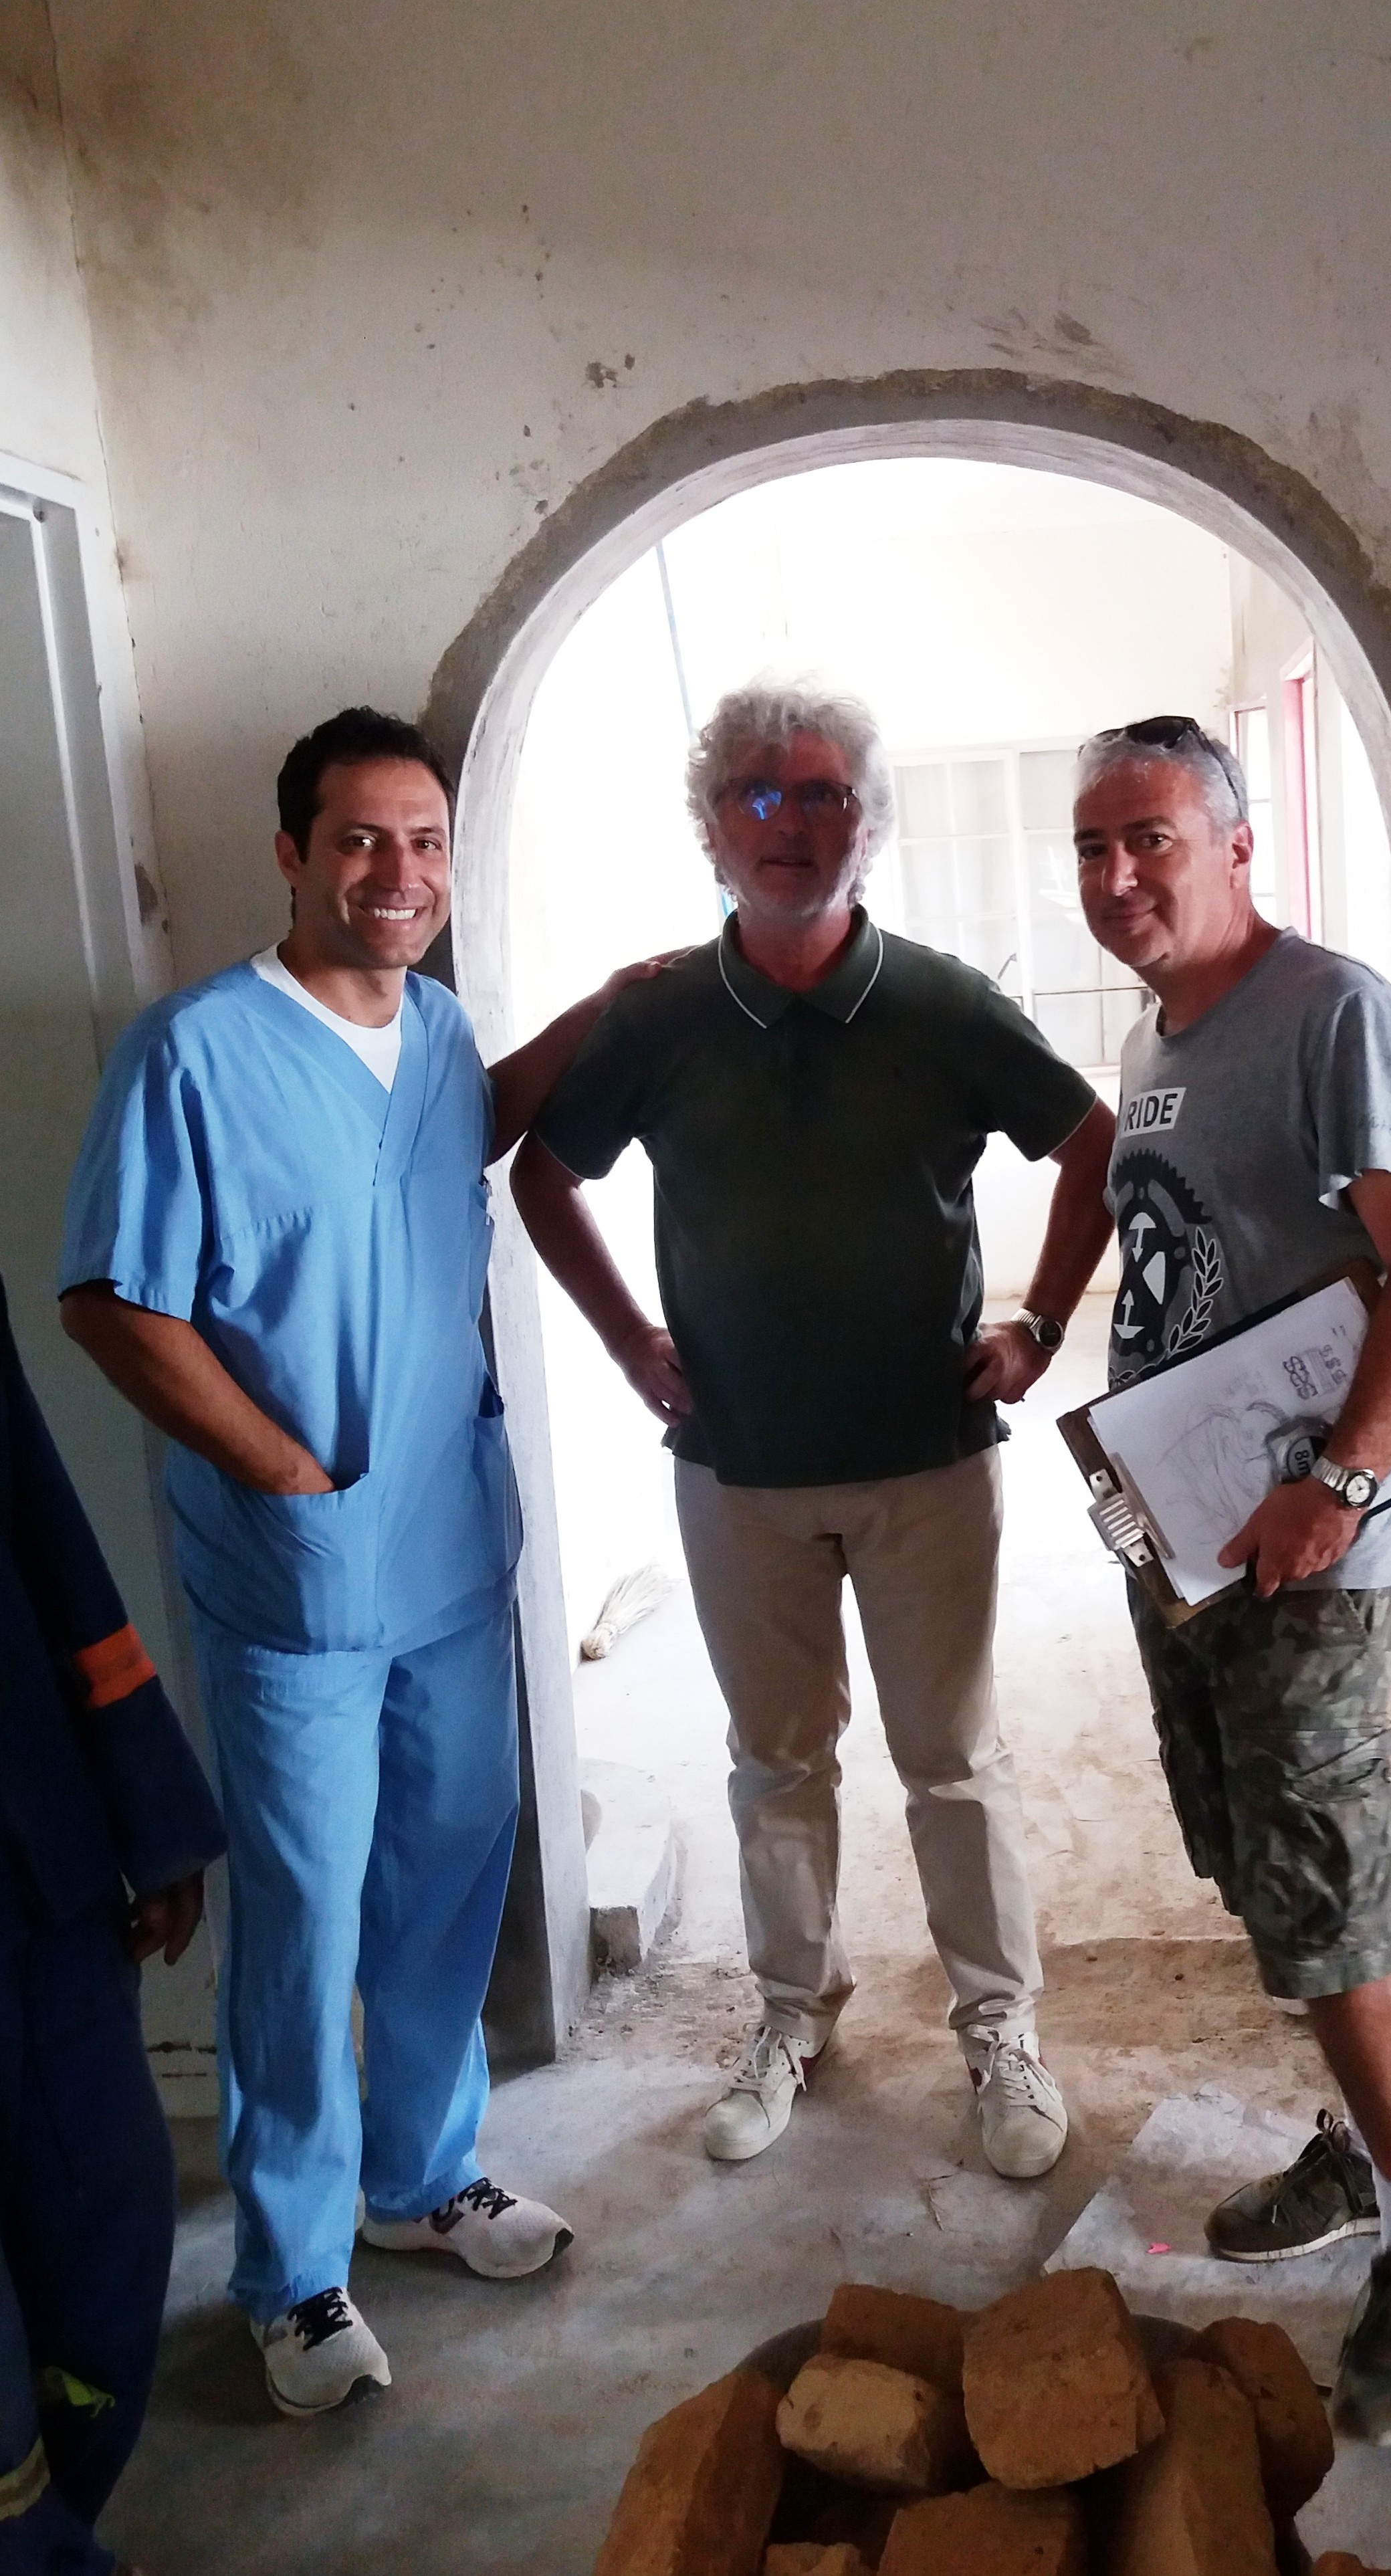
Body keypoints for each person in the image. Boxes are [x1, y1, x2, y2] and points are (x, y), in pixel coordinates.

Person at [58, 708, 651, 2420]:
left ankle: (421, 2179)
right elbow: (111, 1300)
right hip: (298, 1574)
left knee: (452, 1869)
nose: (400, 872)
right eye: (362, 839)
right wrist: (284, 1471)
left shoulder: (441, 1030)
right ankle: (295, 2270)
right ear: (294, 854)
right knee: (307, 1918)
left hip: (449, 1549)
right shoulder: (193, 1053)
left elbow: (456, 1131)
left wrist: (607, 1010)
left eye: (426, 841)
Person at [512, 681, 1116, 2180]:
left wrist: (1040, 1324)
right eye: (760, 794)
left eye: (826, 793)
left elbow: (1094, 1144)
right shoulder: (659, 1015)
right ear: (713, 828)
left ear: (870, 823)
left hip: (928, 1457)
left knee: (952, 1756)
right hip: (738, 1467)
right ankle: (793, 2014)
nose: (791, 822)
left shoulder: (943, 1005)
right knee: (777, 1761)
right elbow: (542, 1173)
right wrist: (629, 1340)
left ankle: (1000, 2029)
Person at [1073, 714, 1391, 2448]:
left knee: (1327, 1889)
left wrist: (1337, 1484)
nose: (1116, 876)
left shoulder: (1330, 1013)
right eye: (1092, 847)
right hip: (1194, 1542)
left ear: (1236, 846)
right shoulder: (1157, 1034)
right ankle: (1358, 2149)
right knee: (1258, 1868)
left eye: (1150, 840)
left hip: (1308, 1545)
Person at [0, 1275, 225, 2575]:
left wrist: (147, 1798)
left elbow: (37, 1518)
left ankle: (55, 2527)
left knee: (109, 2221)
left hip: (34, 1851)